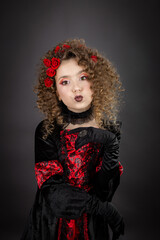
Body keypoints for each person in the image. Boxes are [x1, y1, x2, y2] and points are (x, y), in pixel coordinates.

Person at [21, 38, 125, 240]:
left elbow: (104, 191)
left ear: (96, 82)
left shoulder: (109, 130)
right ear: (57, 94)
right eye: (65, 81)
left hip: (92, 224)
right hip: (51, 223)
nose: (76, 88)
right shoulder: (47, 130)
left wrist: (110, 144)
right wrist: (102, 208)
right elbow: (53, 194)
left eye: (83, 77)